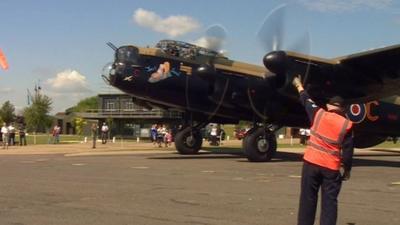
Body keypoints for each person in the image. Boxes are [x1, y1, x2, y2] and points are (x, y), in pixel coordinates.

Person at [292, 75, 354, 225]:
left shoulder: (319, 113)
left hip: (311, 164)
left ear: (328, 106)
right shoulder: (347, 125)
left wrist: (298, 84)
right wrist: (347, 170)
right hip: (331, 169)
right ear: (343, 109)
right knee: (330, 203)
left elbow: (306, 99)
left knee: (307, 199)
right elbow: (347, 152)